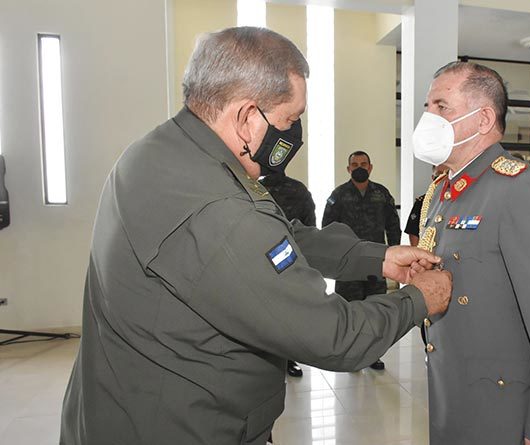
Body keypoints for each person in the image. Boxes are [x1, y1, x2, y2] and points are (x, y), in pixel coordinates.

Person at [60, 27, 453, 445]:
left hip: (122, 410)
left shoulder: (160, 153)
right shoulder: (220, 208)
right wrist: (418, 299)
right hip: (184, 426)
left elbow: (277, 235)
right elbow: (333, 336)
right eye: (290, 119)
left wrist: (377, 257)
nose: (293, 133)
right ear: (248, 118)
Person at [413, 61, 530, 445]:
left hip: (502, 406)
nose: (428, 118)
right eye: (427, 107)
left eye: (442, 107)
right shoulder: (444, 191)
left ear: (483, 119)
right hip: (453, 388)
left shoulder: (520, 190)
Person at [321, 151, 402, 370]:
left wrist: (394, 251)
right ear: (348, 169)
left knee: (376, 309)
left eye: (363, 164)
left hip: (377, 261)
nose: (359, 167)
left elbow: (393, 225)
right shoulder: (338, 195)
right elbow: (327, 229)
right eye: (354, 164)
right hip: (348, 264)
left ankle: (373, 355)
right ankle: (350, 355)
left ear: (370, 167)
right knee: (349, 310)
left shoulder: (381, 194)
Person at [258, 171, 315, 377]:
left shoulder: (298, 190)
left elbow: (309, 225)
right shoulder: (254, 187)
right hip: (262, 260)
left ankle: (288, 359)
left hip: (289, 260)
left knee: (288, 312)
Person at [405, 165, 447, 246]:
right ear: (432, 177)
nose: (442, 178)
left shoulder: (460, 200)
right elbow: (413, 231)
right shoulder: (422, 202)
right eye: (438, 175)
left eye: (446, 175)